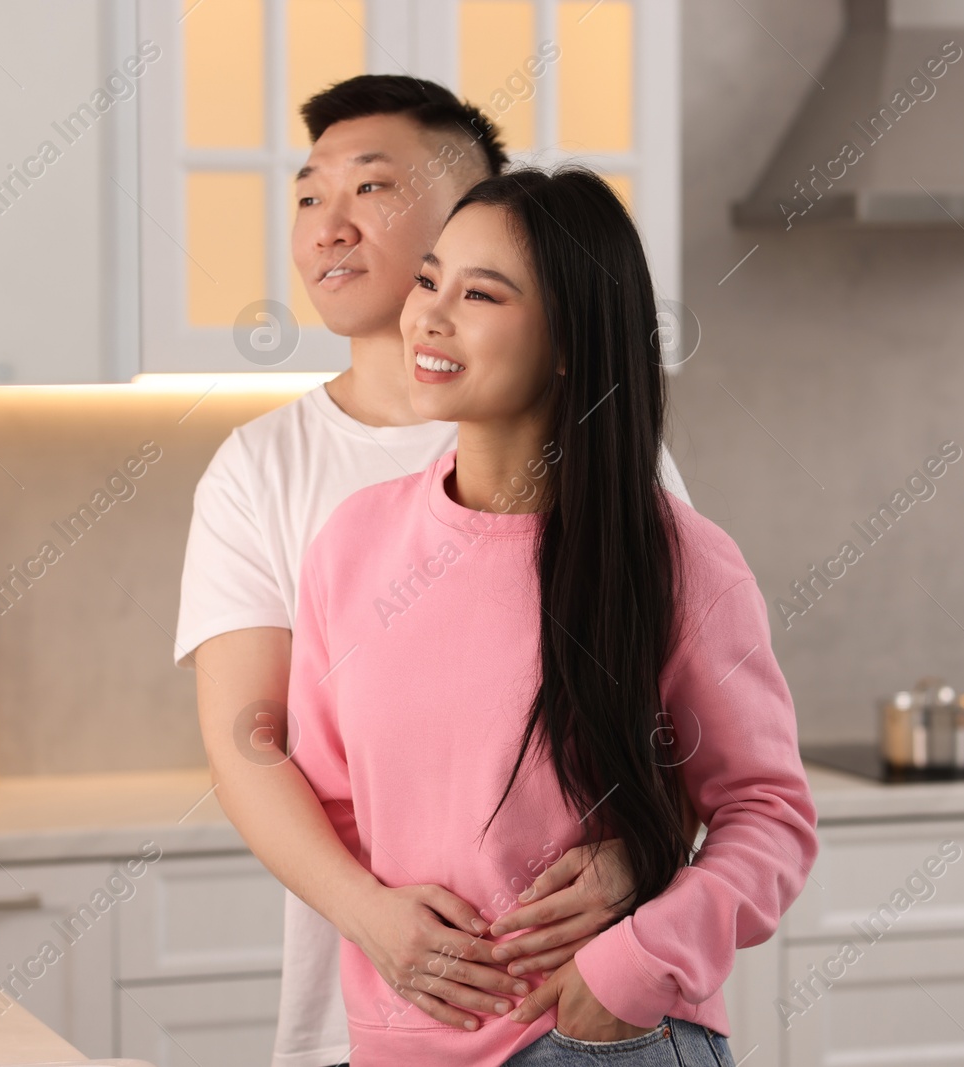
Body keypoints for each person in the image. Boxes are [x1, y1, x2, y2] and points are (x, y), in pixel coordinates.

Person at [175, 77, 696, 1067]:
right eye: (306, 196)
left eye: (369, 189)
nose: (326, 227)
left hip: (593, 1018)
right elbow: (248, 739)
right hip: (366, 1021)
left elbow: (689, 717)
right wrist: (370, 914)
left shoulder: (601, 454)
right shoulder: (265, 467)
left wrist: (643, 848)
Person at [284, 167, 819, 1066]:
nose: (429, 316)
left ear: (570, 340)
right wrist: (377, 937)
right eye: (428, 281)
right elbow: (330, 800)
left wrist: (636, 964)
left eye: (480, 294)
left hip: (598, 1039)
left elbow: (768, 814)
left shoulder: (676, 559)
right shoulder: (351, 544)